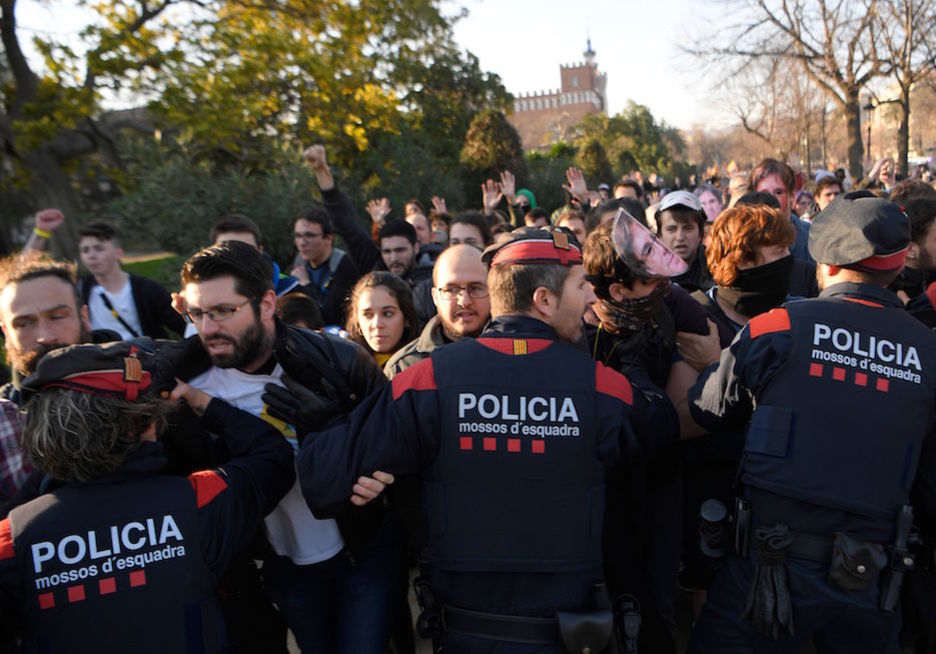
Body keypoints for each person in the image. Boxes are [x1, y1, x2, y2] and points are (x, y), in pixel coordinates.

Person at [296, 227, 680, 652]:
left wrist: (336, 419)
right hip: (569, 631)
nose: (591, 298)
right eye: (580, 286)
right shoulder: (600, 386)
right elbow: (663, 431)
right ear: (544, 300)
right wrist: (636, 366)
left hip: (464, 632)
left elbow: (326, 479)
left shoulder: (427, 379)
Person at [686, 192, 936, 653]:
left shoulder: (775, 327)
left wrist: (714, 363)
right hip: (871, 578)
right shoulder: (927, 351)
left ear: (826, 265)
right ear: (898, 267)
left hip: (766, 567)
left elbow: (707, 409)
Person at [172, 241, 399, 653]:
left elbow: (395, 439)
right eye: (199, 313)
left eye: (224, 311)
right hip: (281, 561)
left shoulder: (340, 361)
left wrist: (354, 450)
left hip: (362, 550)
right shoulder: (189, 387)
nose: (208, 328)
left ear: (266, 303)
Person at [0, 341, 295, 652]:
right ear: (134, 423)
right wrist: (199, 400)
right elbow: (273, 455)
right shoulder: (199, 501)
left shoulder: (12, 539)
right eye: (152, 411)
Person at [384, 244, 491, 377]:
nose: (464, 301)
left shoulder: (517, 356)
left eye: (476, 288)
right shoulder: (404, 368)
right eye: (451, 290)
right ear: (435, 297)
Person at [77, 221, 185, 340]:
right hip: (98, 357)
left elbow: (183, 327)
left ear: (118, 253)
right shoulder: (78, 289)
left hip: (141, 355)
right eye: (85, 250)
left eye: (99, 249)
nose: (91, 256)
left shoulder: (147, 290)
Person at [290, 207, 360, 326]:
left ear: (329, 238)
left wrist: (306, 285)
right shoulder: (297, 265)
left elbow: (329, 315)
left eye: (309, 235)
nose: (302, 243)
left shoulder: (345, 267)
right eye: (298, 236)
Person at [345, 271, 420, 368]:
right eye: (368, 315)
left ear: (407, 318)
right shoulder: (343, 364)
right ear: (358, 322)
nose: (377, 324)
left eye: (387, 314)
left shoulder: (424, 364)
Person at [748, 158, 812, 263]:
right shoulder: (747, 241)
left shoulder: (810, 237)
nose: (771, 199)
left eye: (778, 192)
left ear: (792, 196)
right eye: (764, 193)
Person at [655, 190, 714, 292]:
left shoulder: (717, 269)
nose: (680, 237)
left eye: (688, 228)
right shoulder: (649, 278)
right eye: (671, 229)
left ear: (700, 234)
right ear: (660, 235)